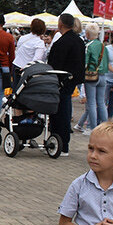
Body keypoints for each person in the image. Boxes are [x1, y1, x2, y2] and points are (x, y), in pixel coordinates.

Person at [47, 13, 86, 154]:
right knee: (64, 109)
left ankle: (60, 144)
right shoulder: (79, 41)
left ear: (60, 24)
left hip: (61, 80)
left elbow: (54, 64)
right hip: (73, 79)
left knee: (60, 113)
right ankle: (61, 143)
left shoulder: (61, 42)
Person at [79, 24, 108, 134]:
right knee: (101, 102)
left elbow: (85, 63)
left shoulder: (88, 46)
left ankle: (93, 128)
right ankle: (105, 127)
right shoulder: (103, 46)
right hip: (103, 75)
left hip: (91, 76)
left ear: (87, 34)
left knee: (91, 103)